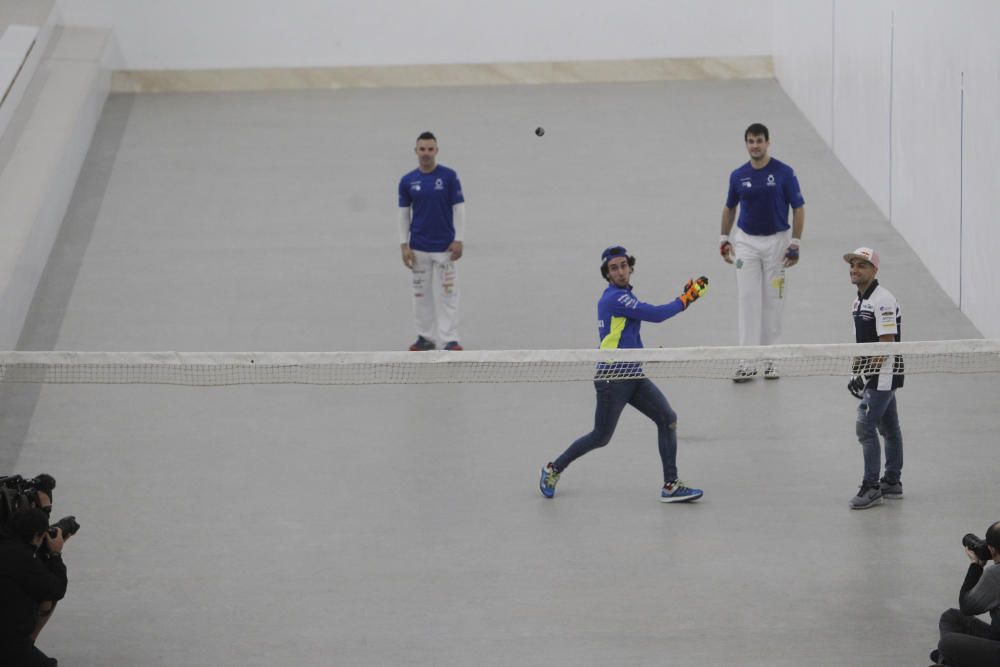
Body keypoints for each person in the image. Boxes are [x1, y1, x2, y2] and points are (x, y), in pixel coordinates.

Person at [539, 246, 708, 502]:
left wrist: (684, 298)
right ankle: (552, 469)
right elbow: (655, 314)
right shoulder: (614, 299)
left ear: (630, 266)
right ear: (607, 275)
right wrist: (685, 299)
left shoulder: (625, 295)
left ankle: (670, 485)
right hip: (612, 378)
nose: (620, 271)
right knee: (601, 436)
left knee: (667, 418)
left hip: (633, 373)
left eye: (623, 265)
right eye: (613, 268)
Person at [720, 122, 805, 381]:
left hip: (777, 244)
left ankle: (771, 360)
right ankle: (747, 362)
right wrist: (724, 238)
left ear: (768, 142)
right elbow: (730, 207)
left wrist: (796, 243)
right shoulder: (738, 175)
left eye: (759, 140)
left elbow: (798, 208)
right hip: (746, 244)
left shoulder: (784, 173)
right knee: (747, 300)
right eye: (750, 141)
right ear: (746, 144)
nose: (755, 145)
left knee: (773, 302)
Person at [844, 247, 904, 510]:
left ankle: (872, 486)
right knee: (889, 428)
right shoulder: (858, 302)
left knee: (865, 427)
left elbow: (886, 345)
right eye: (853, 265)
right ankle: (892, 481)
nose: (855, 269)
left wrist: (865, 374)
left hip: (885, 374)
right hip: (873, 373)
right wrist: (855, 371)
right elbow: (863, 345)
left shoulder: (883, 300)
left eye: (862, 265)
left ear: (875, 270)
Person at [398, 131, 466, 351]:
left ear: (436, 151)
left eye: (430, 149)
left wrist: (459, 239)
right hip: (419, 249)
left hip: (445, 249)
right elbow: (403, 214)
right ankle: (425, 337)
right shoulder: (407, 181)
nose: (426, 153)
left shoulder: (449, 177)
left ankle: (449, 339)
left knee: (449, 294)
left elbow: (459, 209)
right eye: (422, 149)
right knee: (421, 296)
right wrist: (404, 245)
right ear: (416, 151)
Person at [0, 508, 67, 667]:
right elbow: (56, 588)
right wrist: (56, 554)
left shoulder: (8, 546)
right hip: (8, 646)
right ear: (37, 535)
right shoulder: (23, 559)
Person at [930, 523, 1000, 666]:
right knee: (951, 617)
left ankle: (945, 661)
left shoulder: (996, 574)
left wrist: (976, 565)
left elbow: (967, 606)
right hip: (996, 635)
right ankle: (947, 661)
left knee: (947, 644)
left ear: (993, 551)